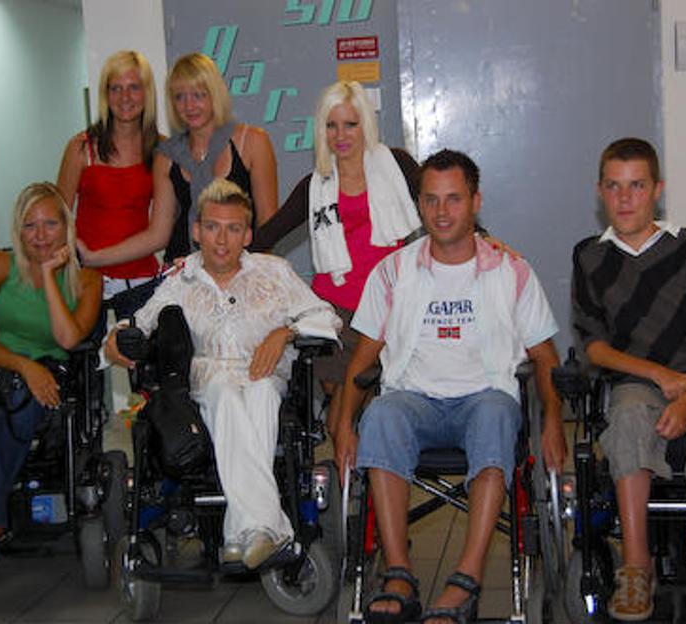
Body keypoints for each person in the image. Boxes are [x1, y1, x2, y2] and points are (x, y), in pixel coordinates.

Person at [333, 150, 566, 624]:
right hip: (413, 400)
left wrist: (554, 421)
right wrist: (343, 425)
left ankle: (466, 578)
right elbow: (362, 358)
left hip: (484, 398)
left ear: (475, 202)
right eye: (431, 200)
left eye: (454, 199)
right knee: (382, 415)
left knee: (496, 413)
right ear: (419, 204)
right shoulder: (393, 271)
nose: (442, 212)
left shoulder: (511, 271)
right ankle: (399, 573)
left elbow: (545, 358)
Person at [104, 179, 340, 570]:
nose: (221, 239)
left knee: (261, 393)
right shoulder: (180, 279)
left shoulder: (275, 271)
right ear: (197, 231)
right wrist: (116, 341)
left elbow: (326, 316)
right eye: (212, 227)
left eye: (233, 229)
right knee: (226, 393)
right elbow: (138, 325)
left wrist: (285, 333)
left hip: (265, 374)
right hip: (209, 380)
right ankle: (263, 528)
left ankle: (244, 533)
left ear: (247, 235)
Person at [572, 138, 686, 624]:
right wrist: (659, 375)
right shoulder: (590, 256)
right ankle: (636, 567)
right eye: (614, 186)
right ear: (600, 191)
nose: (625, 198)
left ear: (657, 189)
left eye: (636, 186)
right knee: (628, 416)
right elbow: (595, 347)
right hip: (639, 377)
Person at [0, 182, 102, 563]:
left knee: (22, 408)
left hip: (45, 371)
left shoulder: (88, 281)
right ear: (18, 230)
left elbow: (68, 338)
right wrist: (24, 366)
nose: (40, 235)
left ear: (67, 227)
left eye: (50, 224)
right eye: (30, 226)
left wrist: (49, 275)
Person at [251, 80, 421, 438]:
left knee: (341, 420)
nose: (340, 136)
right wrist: (209, 258)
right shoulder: (314, 185)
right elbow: (266, 236)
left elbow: (440, 209)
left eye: (350, 124)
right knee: (342, 404)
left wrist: (481, 240)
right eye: (331, 125)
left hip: (387, 308)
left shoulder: (396, 165)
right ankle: (358, 453)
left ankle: (356, 451)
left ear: (366, 125)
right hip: (335, 311)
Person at [56, 50, 163, 319]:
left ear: (147, 93)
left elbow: (159, 233)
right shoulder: (80, 148)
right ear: (105, 95)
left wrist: (96, 256)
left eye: (134, 87)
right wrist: (81, 257)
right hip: (85, 282)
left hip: (141, 283)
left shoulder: (162, 149)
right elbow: (57, 218)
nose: (125, 97)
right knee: (86, 350)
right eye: (116, 88)